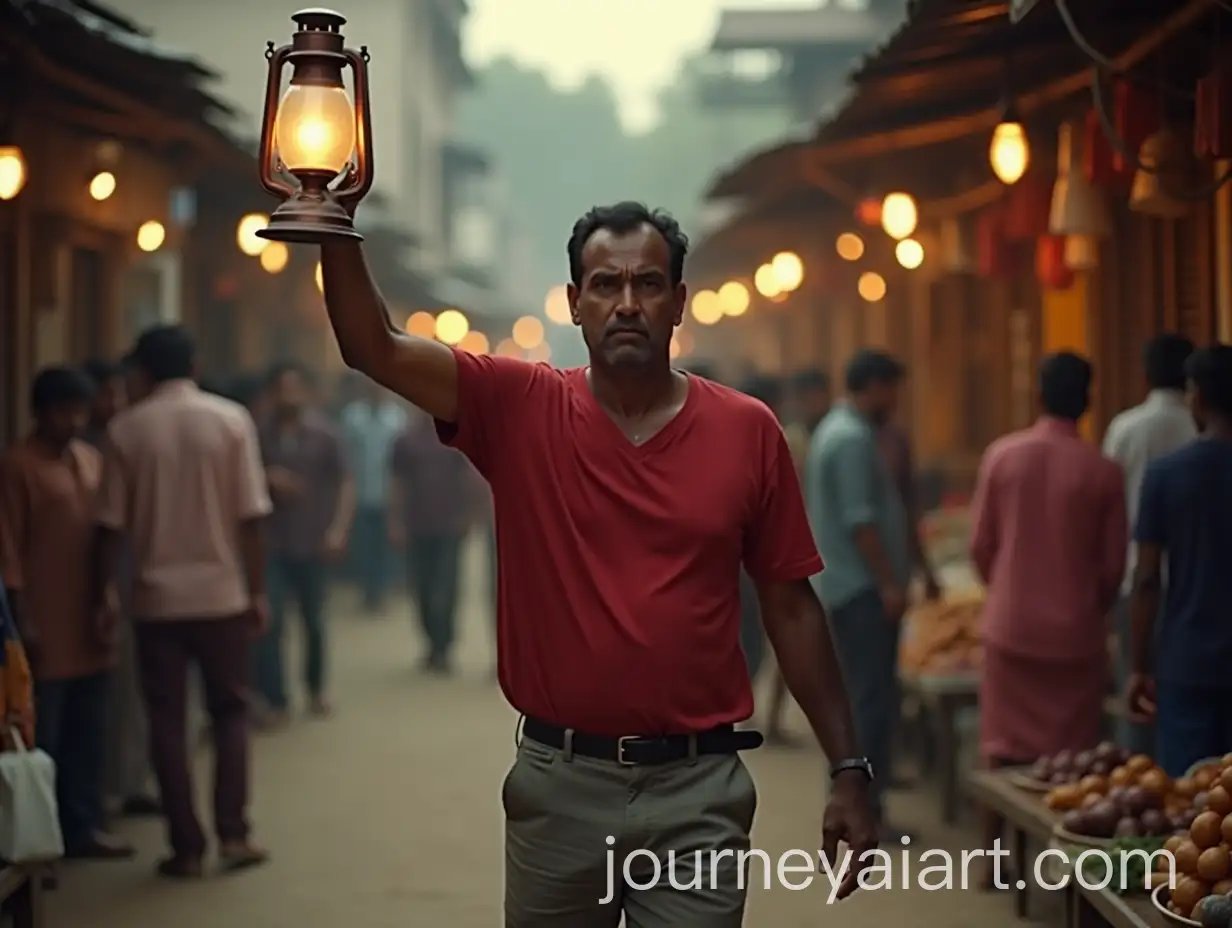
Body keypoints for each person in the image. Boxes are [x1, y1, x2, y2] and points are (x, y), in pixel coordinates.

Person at [318, 199, 876, 924]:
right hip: (558, 787)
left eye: (647, 285)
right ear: (575, 303)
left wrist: (848, 767)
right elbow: (374, 346)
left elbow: (792, 606)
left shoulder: (747, 432)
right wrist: (332, 218)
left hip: (698, 790)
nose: (627, 304)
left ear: (678, 304)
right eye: (605, 285)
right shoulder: (518, 406)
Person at [96, 325, 271, 878]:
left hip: (155, 600)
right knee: (231, 712)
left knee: (167, 722)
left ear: (144, 373)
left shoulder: (126, 430)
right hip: (221, 594)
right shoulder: (230, 420)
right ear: (194, 365)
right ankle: (234, 834)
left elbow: (109, 527)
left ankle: (186, 845)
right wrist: (257, 590)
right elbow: (251, 518)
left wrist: (105, 591)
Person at [970, 352, 1125, 883]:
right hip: (1074, 634)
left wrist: (1010, 591)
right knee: (1073, 759)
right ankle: (1062, 870)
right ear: (1087, 401)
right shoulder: (1103, 472)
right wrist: (1084, 606)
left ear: (1038, 395)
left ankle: (992, 860)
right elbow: (1112, 569)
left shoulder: (1001, 456)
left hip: (1010, 625)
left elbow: (982, 546)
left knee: (1000, 746)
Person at [0, 367, 132, 859]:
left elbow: (105, 536)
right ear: (40, 412)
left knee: (89, 729)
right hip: (42, 618)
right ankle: (42, 839)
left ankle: (84, 826)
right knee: (45, 732)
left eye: (79, 411)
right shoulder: (17, 467)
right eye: (63, 411)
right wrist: (22, 619)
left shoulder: (89, 459)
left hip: (88, 613)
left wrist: (107, 596)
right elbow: (8, 548)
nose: (74, 421)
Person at [805, 349, 913, 840]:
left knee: (863, 697)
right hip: (861, 590)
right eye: (891, 388)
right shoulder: (849, 439)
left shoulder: (838, 430)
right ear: (871, 386)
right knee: (870, 702)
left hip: (848, 587)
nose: (895, 399)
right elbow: (860, 521)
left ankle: (864, 801)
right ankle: (866, 807)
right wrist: (889, 582)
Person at [1126, 344, 1232, 776]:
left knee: (1191, 806)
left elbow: (1147, 578)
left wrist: (1138, 665)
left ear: (1199, 399)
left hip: (1188, 663)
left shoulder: (1167, 476)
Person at [1102, 334, 1196, 756]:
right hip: (1195, 589)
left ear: (1145, 374)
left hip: (1135, 582)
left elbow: (1106, 502)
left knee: (1136, 698)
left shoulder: (1125, 429)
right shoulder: (1199, 427)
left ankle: (1138, 793)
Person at [81, 358, 162, 820]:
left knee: (133, 691)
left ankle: (129, 782)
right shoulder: (105, 445)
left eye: (119, 392)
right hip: (107, 585)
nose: (113, 403)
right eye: (106, 394)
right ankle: (112, 788)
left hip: (132, 580)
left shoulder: (118, 441)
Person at [255, 362, 352, 721]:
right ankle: (275, 697)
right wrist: (267, 476)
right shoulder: (257, 434)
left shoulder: (325, 435)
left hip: (313, 540)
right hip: (272, 543)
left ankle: (316, 687)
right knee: (273, 621)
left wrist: (338, 528)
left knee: (314, 620)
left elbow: (345, 482)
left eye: (294, 389)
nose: (287, 397)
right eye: (281, 389)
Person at [388, 409, 482, 672]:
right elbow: (397, 484)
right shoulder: (405, 441)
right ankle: (431, 643)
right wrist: (395, 522)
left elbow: (470, 477)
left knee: (446, 589)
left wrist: (470, 515)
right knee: (422, 590)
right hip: (417, 525)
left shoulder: (453, 437)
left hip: (450, 526)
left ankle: (444, 647)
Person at [340, 375, 405, 613]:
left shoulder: (396, 418)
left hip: (388, 493)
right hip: (360, 492)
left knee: (385, 546)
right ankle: (368, 592)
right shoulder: (352, 417)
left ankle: (382, 590)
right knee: (365, 547)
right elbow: (345, 456)